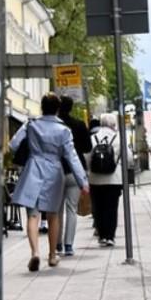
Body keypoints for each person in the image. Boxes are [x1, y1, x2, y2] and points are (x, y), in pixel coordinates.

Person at [8, 93, 89, 271]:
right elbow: (72, 156)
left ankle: (35, 252)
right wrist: (82, 181)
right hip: (54, 171)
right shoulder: (63, 130)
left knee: (33, 215)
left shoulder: (31, 124)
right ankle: (52, 255)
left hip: (33, 168)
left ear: (42, 107)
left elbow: (13, 144)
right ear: (57, 109)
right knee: (53, 215)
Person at [88, 112, 132, 247]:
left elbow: (87, 157)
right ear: (113, 124)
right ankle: (110, 236)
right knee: (111, 208)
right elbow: (129, 158)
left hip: (95, 179)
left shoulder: (93, 138)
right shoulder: (119, 138)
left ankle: (101, 235)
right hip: (114, 178)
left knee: (98, 207)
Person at [57, 95, 92, 256]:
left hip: (56, 170)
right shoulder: (79, 125)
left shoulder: (54, 125)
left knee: (56, 209)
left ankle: (56, 242)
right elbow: (87, 147)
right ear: (71, 108)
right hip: (75, 170)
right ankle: (68, 245)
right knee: (71, 208)